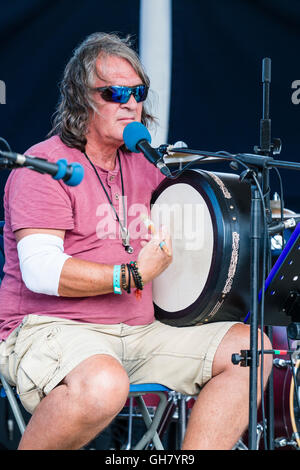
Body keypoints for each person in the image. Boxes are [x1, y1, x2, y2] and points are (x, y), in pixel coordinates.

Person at [0, 32, 272, 450]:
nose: (129, 102)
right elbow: (41, 271)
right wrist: (131, 275)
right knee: (106, 383)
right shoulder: (44, 166)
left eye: (138, 92)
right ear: (80, 99)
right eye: (114, 92)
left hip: (141, 331)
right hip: (52, 327)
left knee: (251, 350)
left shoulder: (150, 168)